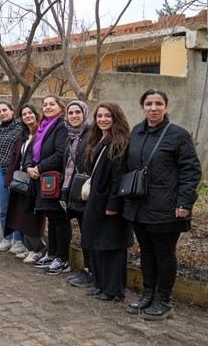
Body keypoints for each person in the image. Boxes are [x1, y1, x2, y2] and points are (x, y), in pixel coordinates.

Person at [124, 89, 201, 320]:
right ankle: (148, 293)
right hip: (139, 204)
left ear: (166, 107)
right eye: (149, 103)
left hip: (167, 206)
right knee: (146, 251)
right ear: (142, 107)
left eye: (158, 103)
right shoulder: (137, 132)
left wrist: (184, 202)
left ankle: (164, 300)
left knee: (164, 253)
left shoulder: (177, 134)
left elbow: (191, 170)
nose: (153, 108)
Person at [81, 102, 131, 301]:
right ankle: (100, 284)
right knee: (96, 243)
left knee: (111, 246)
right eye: (99, 116)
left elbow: (119, 177)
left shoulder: (119, 142)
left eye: (108, 116)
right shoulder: (98, 139)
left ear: (116, 118)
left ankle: (113, 289)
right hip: (96, 200)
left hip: (109, 202)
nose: (103, 119)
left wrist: (113, 204)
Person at [24, 95, 70, 275]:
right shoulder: (41, 126)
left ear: (60, 107)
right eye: (45, 105)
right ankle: (52, 254)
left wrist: (39, 167)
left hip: (55, 180)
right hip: (40, 180)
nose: (48, 107)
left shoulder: (62, 125)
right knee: (51, 218)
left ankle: (62, 259)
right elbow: (30, 150)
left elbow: (60, 153)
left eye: (52, 104)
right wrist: (29, 167)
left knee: (60, 218)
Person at [4, 104, 46, 263]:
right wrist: (9, 179)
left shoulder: (41, 132)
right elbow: (15, 157)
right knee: (21, 214)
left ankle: (37, 250)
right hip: (21, 179)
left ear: (36, 114)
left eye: (30, 113)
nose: (28, 116)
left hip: (35, 178)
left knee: (32, 216)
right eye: (24, 114)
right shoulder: (23, 135)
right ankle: (28, 247)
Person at [61, 101, 93, 287]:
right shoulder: (70, 136)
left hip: (87, 191)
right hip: (74, 190)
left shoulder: (91, 135)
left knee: (89, 233)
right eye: (70, 113)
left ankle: (90, 271)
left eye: (77, 112)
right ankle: (88, 269)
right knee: (84, 231)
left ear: (85, 114)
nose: (74, 116)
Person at [0, 101, 24, 253]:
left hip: (14, 170)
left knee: (16, 207)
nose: (2, 113)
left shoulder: (20, 128)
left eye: (4, 110)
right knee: (4, 208)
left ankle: (19, 240)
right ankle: (7, 238)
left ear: (12, 110)